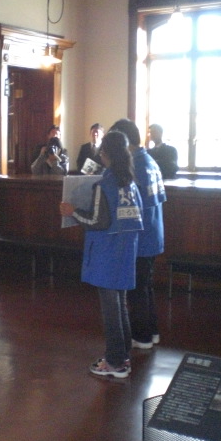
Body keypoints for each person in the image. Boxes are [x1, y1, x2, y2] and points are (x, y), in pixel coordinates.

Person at [59, 130, 143, 378]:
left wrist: (73, 211)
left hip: (107, 252)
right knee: (120, 304)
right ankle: (123, 355)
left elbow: (97, 221)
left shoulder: (104, 185)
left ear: (105, 153)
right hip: (126, 249)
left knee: (110, 308)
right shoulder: (130, 183)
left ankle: (115, 362)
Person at [110, 118, 166, 350]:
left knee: (137, 289)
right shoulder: (149, 160)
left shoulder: (136, 165)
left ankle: (141, 336)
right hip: (153, 233)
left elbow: (133, 206)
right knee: (145, 286)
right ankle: (152, 331)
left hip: (141, 237)